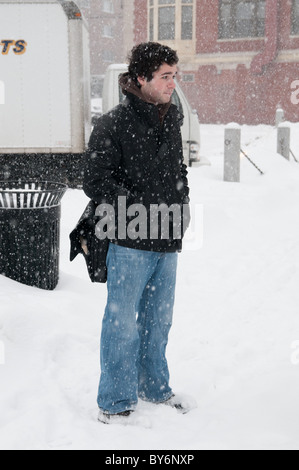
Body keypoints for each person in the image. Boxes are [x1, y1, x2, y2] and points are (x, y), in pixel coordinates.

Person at [83, 42, 190, 424]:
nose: (172, 83)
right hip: (129, 242)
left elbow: (179, 170)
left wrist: (183, 203)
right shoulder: (113, 123)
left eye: (174, 76)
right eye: (165, 77)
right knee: (122, 324)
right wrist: (139, 205)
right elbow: (95, 182)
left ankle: (154, 387)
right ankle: (114, 401)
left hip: (167, 239)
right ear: (141, 78)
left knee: (159, 321)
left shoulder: (172, 117)